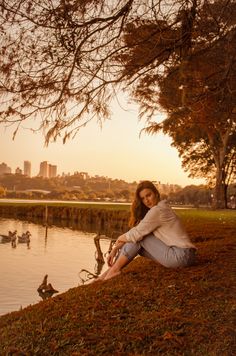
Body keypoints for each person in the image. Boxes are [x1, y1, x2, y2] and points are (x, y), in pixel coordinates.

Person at [98, 180, 196, 281]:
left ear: (156, 193)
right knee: (138, 241)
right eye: (143, 198)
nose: (147, 201)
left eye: (148, 195)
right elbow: (135, 234)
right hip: (185, 256)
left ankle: (113, 271)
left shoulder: (158, 210)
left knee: (140, 238)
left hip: (181, 256)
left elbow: (136, 235)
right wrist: (115, 248)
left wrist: (118, 239)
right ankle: (107, 273)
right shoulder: (160, 209)